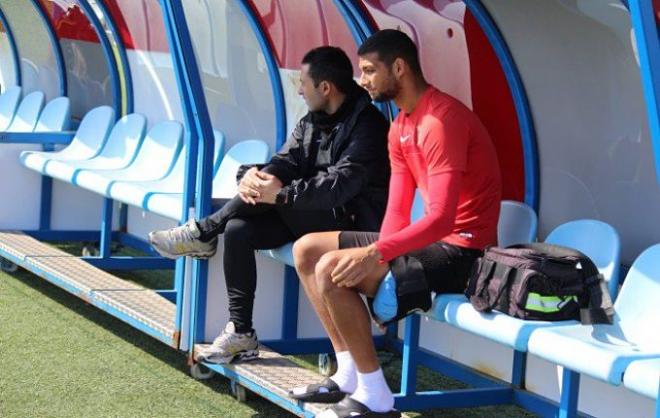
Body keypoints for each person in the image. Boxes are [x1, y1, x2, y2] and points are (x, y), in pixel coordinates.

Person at [290, 30, 502, 418]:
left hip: (463, 251)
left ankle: (377, 398)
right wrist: (380, 254)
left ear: (399, 68)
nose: (362, 80)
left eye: (370, 70)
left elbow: (441, 219)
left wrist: (375, 254)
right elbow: (398, 212)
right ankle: (348, 373)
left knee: (331, 270)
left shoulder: (440, 121)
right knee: (307, 249)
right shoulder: (400, 126)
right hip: (430, 240)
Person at [148, 46, 390, 364]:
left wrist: (280, 194)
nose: (300, 90)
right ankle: (241, 332)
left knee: (277, 199)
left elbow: (338, 187)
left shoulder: (368, 126)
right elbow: (287, 160)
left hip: (352, 227)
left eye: (303, 83)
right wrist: (256, 177)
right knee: (238, 229)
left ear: (326, 88)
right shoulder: (314, 120)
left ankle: (203, 231)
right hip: (311, 215)